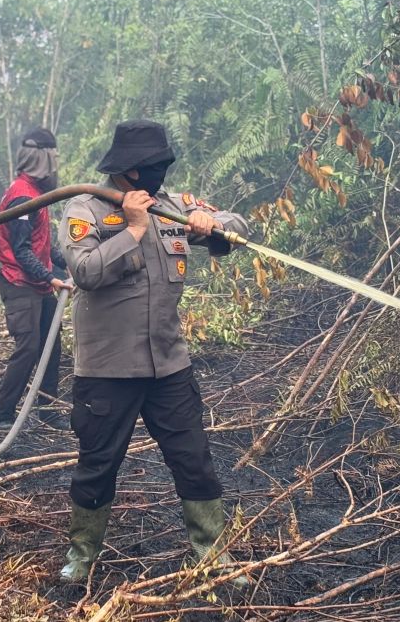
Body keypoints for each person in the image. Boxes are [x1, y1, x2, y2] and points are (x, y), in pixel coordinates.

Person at [56, 120, 251, 584]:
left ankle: (212, 555)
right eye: (153, 167)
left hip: (169, 365)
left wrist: (214, 223)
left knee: (194, 458)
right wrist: (134, 231)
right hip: (107, 371)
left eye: (165, 165)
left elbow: (239, 226)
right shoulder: (84, 209)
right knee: (98, 465)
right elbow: (84, 271)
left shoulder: (175, 206)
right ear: (130, 169)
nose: (160, 173)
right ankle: (80, 558)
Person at [0, 127, 72, 430]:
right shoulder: (21, 196)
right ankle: (3, 416)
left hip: (37, 283)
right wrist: (51, 277)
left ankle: (47, 413)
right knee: (28, 348)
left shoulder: (36, 193)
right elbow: (21, 250)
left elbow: (42, 245)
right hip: (19, 284)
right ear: (44, 159)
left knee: (52, 347)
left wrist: (73, 263)